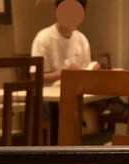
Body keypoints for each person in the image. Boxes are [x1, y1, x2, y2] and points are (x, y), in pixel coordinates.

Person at [31, 0, 101, 134]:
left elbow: (85, 71)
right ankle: (65, 144)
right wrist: (64, 73)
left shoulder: (81, 39)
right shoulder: (43, 38)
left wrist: (92, 71)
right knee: (72, 113)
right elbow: (36, 77)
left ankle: (86, 146)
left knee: (93, 114)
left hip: (77, 96)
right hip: (48, 100)